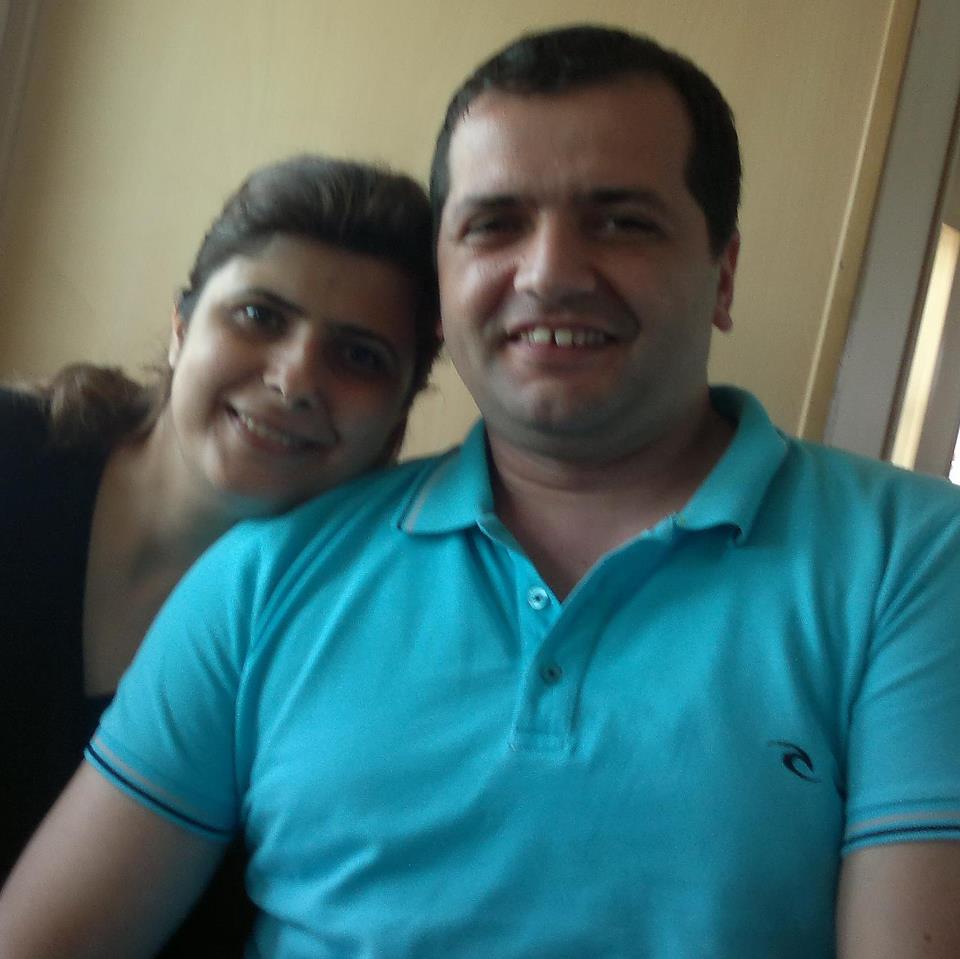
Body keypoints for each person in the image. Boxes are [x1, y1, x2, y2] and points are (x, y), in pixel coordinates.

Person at [2, 24, 960, 959]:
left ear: (723, 273)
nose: (549, 273)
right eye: (494, 224)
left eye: (622, 221)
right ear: (447, 277)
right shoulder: (263, 573)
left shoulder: (914, 561)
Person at [0, 154, 440, 954]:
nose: (294, 379)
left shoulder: (356, 633)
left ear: (398, 423)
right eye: (259, 316)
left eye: (359, 356)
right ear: (181, 326)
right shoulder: (13, 456)